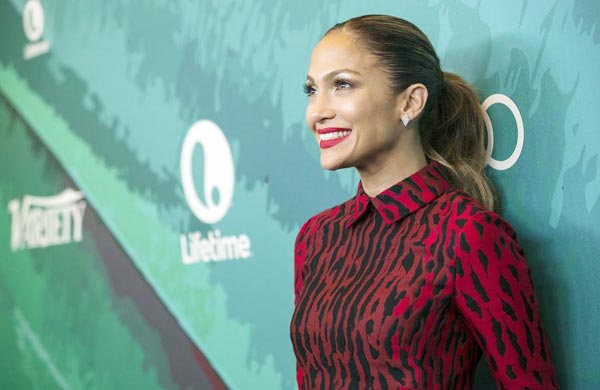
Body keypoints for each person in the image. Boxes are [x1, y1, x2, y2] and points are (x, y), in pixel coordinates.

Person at [290, 14, 559, 389]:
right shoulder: (316, 238)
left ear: (411, 102)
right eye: (312, 90)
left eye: (342, 85)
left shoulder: (468, 234)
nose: (317, 112)